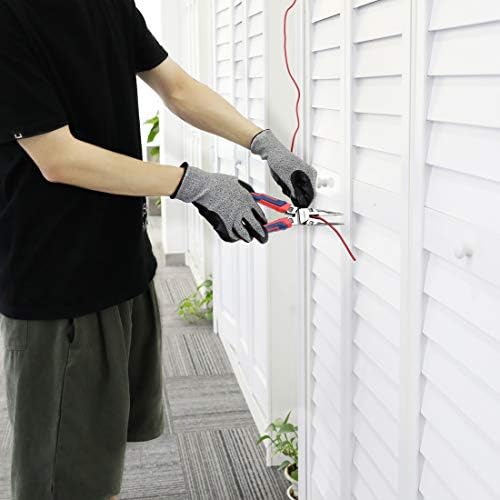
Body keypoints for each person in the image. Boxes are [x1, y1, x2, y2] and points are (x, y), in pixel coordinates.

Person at [0, 0, 317, 499]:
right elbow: (58, 159)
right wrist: (193, 185)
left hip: (124, 266)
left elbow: (177, 87)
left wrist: (263, 143)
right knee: (63, 483)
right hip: (58, 285)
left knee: (98, 462)